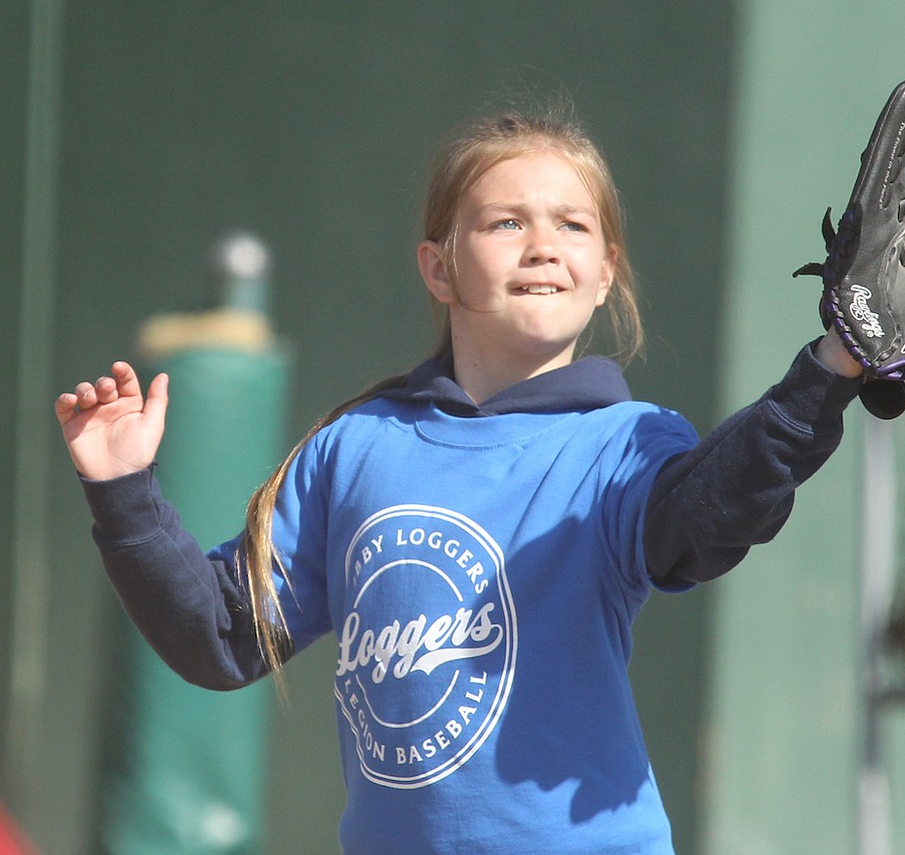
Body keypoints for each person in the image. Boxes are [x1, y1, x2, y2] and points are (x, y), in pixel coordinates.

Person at [56, 110, 863, 854]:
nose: (543, 244)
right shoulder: (355, 446)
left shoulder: (627, 443)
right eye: (507, 222)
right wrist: (123, 489)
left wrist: (830, 369)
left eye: (573, 226)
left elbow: (706, 517)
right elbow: (221, 638)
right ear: (439, 269)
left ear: (606, 270)